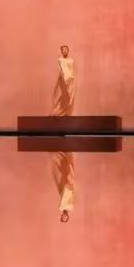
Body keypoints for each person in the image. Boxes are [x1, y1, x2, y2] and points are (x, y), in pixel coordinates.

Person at [51, 45, 77, 223]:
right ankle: (60, 114)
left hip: (70, 84)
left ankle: (64, 114)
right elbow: (62, 77)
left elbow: (70, 76)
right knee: (63, 100)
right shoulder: (61, 62)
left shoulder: (70, 62)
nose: (65, 51)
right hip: (65, 84)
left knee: (69, 101)